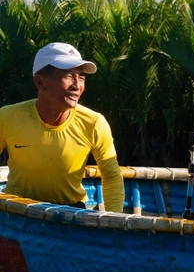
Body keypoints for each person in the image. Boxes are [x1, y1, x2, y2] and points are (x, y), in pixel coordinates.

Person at [0, 42, 125, 212]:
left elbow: (111, 177)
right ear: (40, 82)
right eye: (68, 76)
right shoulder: (7, 117)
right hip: (17, 212)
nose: (77, 85)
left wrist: (114, 223)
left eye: (81, 77)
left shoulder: (94, 123)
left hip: (70, 214)